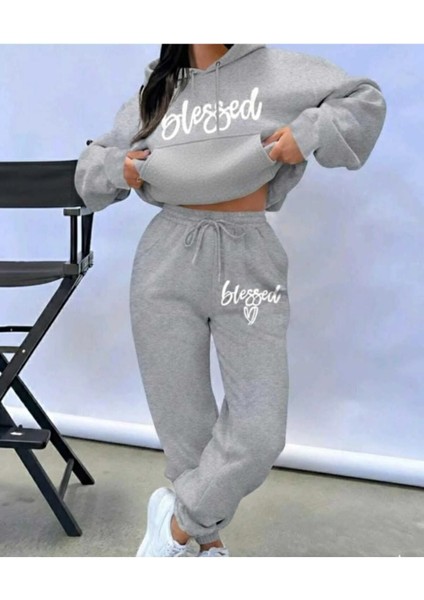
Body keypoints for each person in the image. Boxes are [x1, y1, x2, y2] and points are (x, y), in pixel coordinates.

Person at [74, 43, 387, 557]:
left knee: (258, 432)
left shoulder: (280, 71)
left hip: (248, 258)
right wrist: (118, 169)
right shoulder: (157, 91)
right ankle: (203, 546)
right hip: (167, 257)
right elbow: (88, 169)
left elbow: (366, 101)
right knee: (186, 427)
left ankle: (178, 527)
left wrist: (309, 134)